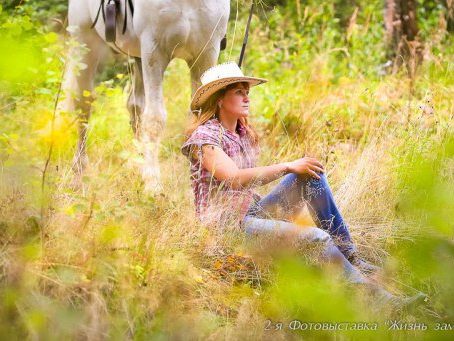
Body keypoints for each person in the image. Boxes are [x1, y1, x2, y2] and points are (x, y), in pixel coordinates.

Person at [182, 62, 424, 309]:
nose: (247, 98)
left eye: (247, 92)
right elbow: (234, 177)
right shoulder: (205, 139)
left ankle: (349, 255)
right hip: (228, 227)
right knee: (316, 237)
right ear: (220, 100)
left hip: (250, 214)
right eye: (239, 92)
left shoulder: (241, 133)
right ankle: (378, 303)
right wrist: (287, 166)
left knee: (310, 176)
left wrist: (294, 169)